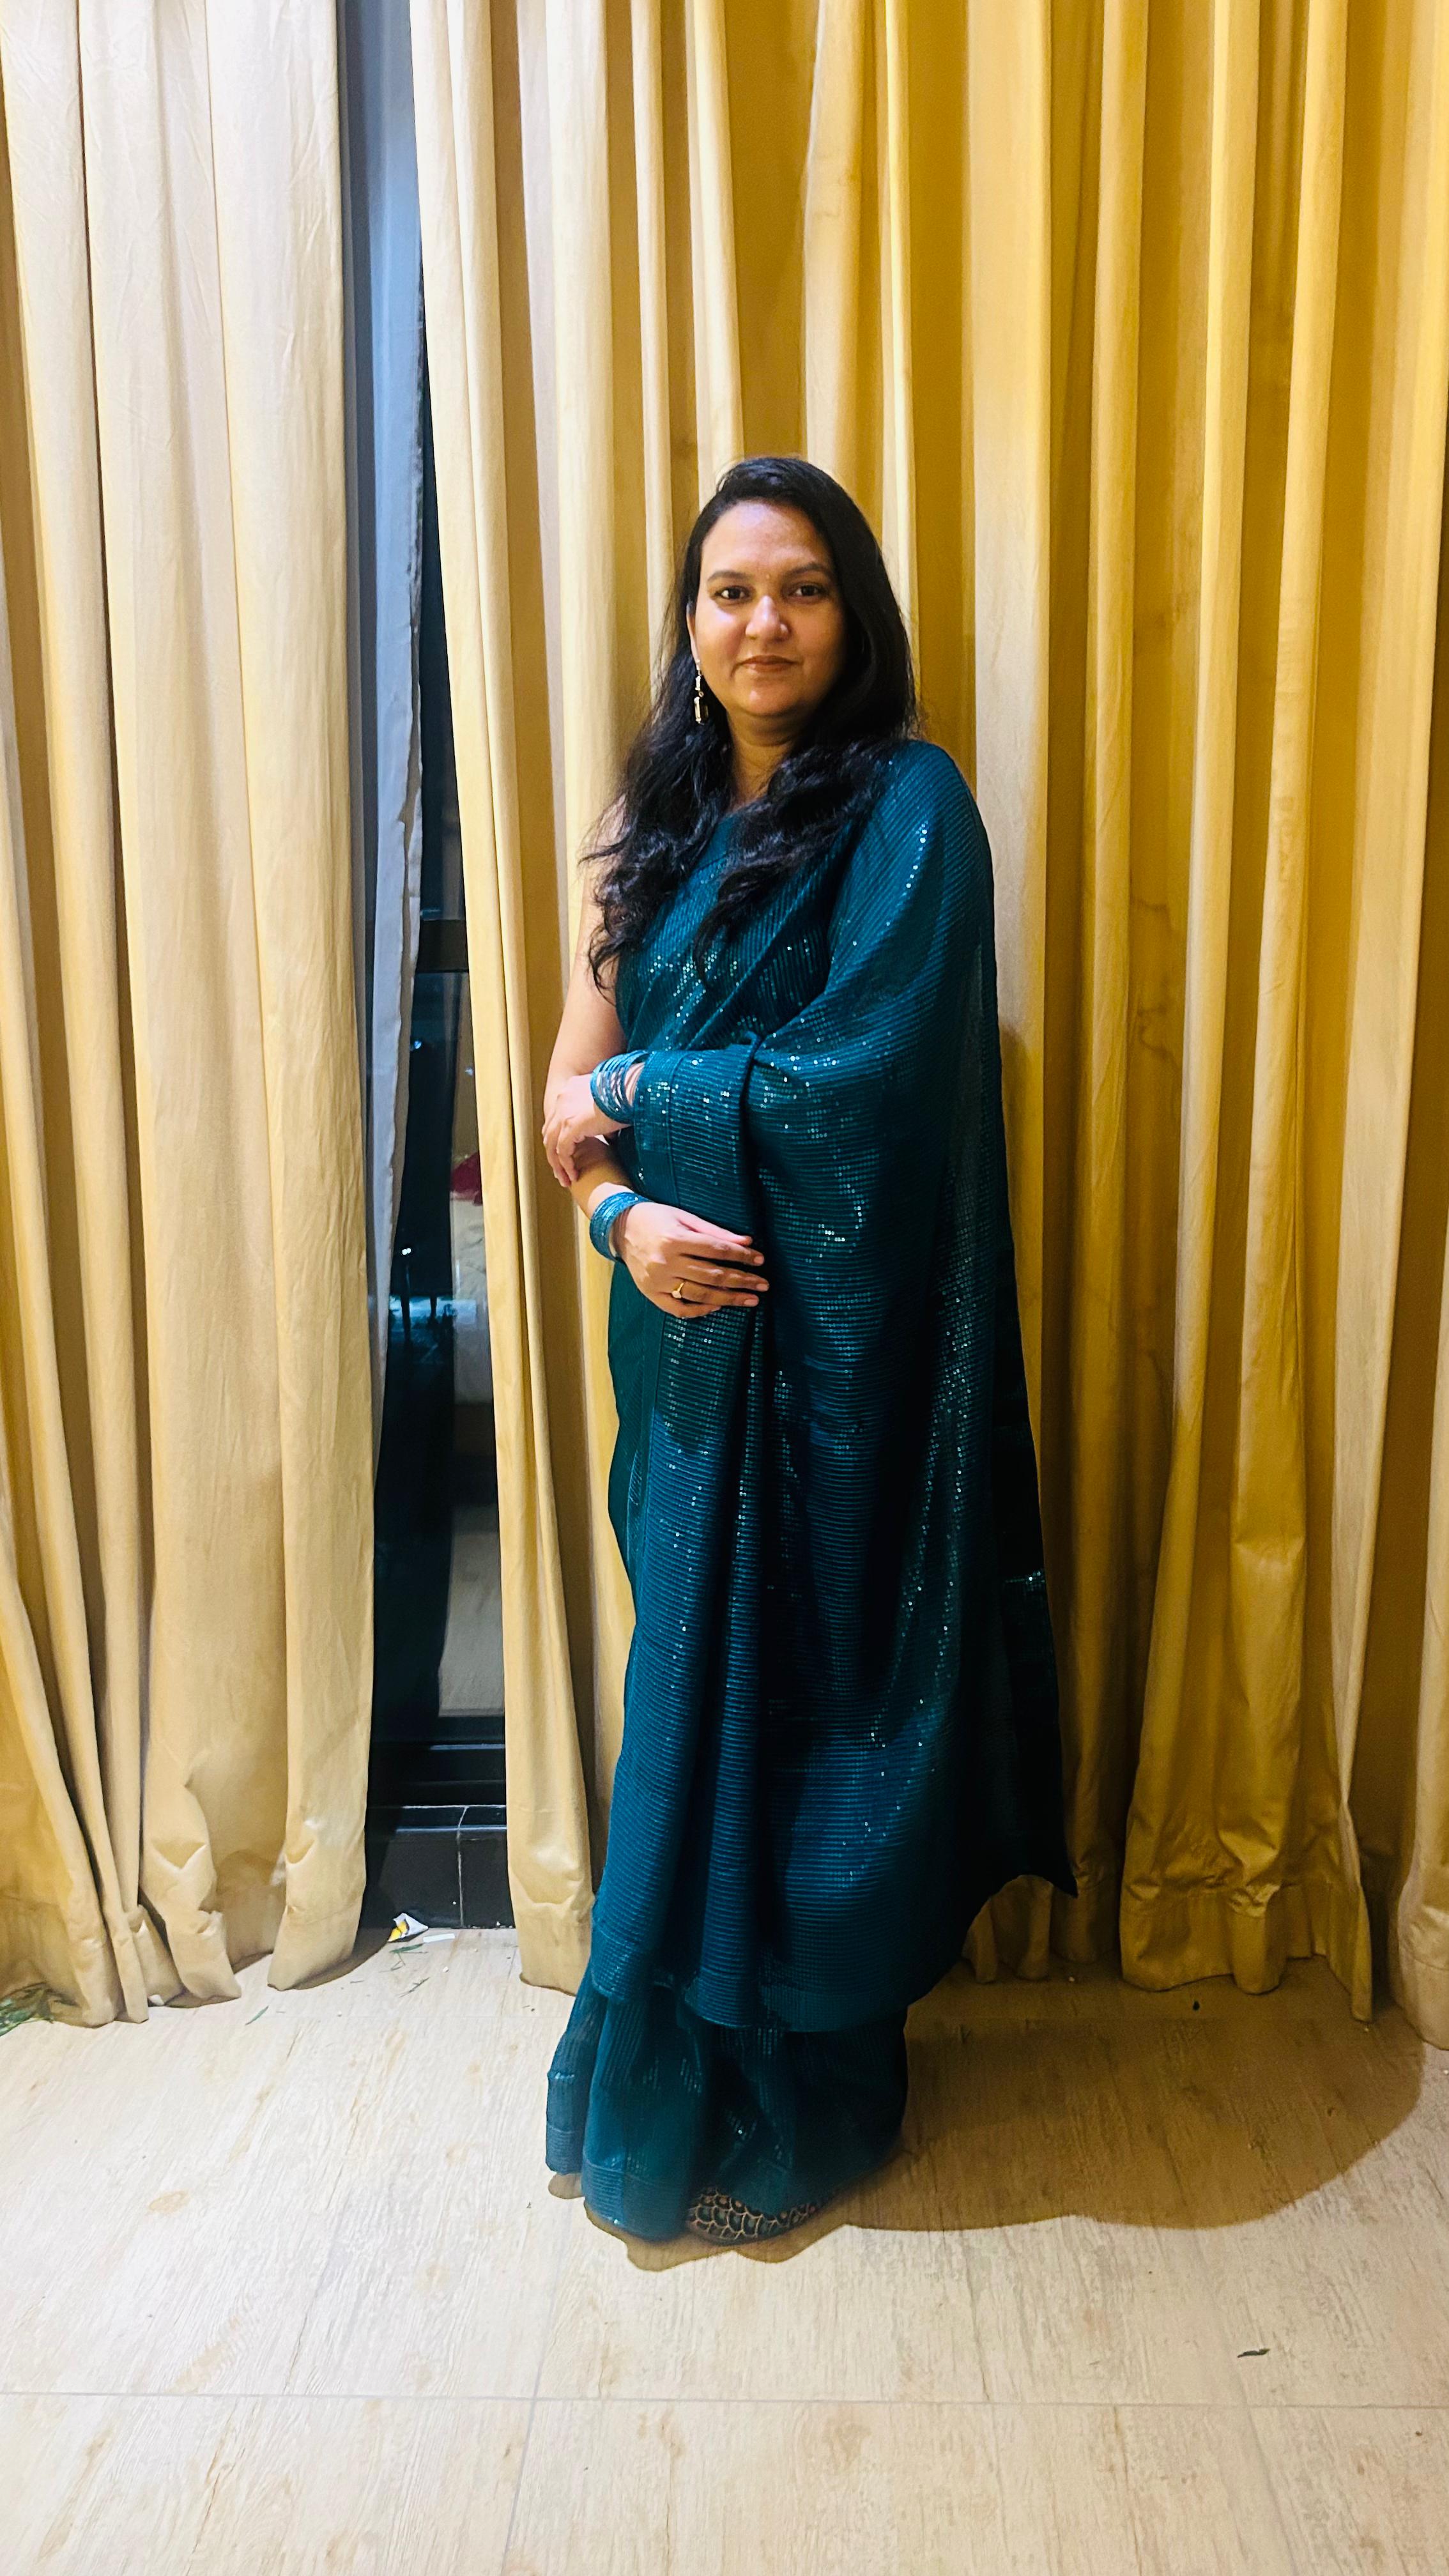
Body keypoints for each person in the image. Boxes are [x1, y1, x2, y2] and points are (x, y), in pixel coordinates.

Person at [540, 454, 1075, 2246]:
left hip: (844, 1364)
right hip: (681, 1352)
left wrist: (639, 1090)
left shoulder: (910, 806)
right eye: (730, 591)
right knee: (687, 1695)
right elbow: (564, 1101)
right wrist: (620, 1215)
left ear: (854, 619)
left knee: (816, 1698)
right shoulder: (645, 834)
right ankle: (665, 2075)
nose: (762, 622)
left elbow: (872, 1081)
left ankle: (805, 2095)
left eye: (801, 588)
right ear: (690, 627)